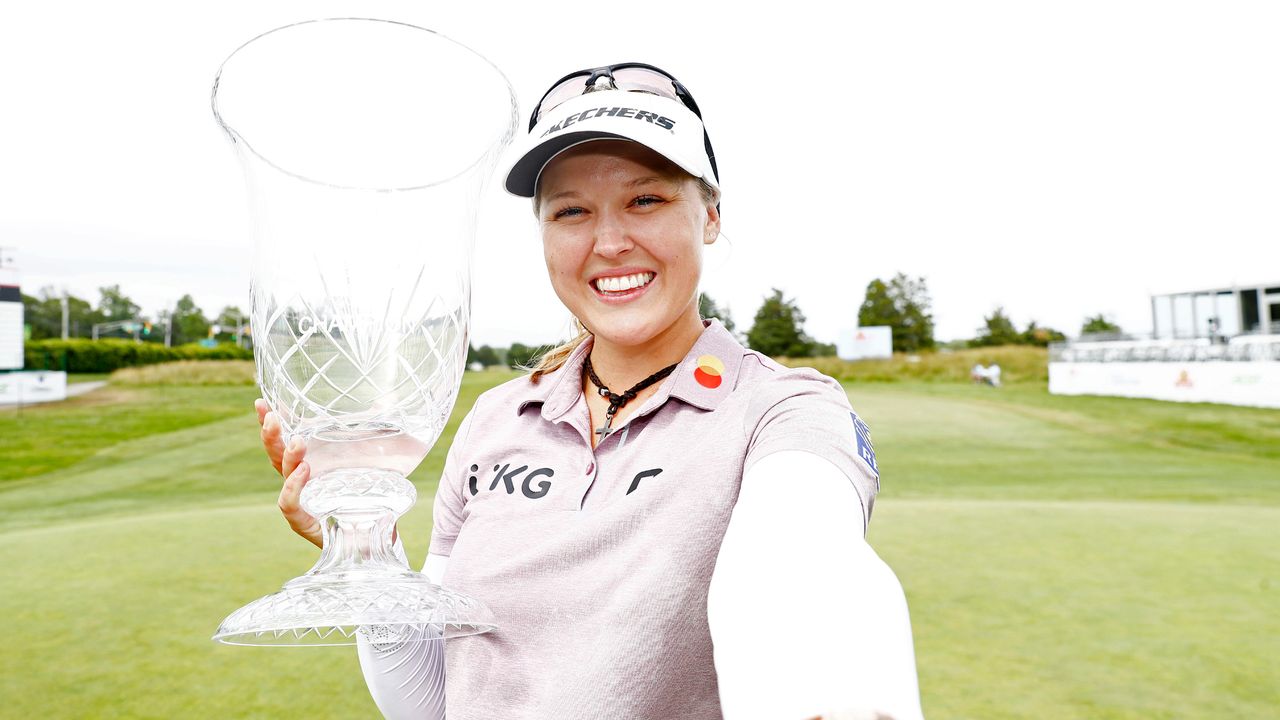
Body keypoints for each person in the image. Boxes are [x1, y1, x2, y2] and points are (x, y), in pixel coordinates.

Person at [257, 62, 923, 720]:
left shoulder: (786, 410)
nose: (608, 242)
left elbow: (800, 561)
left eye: (646, 200)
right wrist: (371, 548)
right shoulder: (495, 420)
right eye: (571, 211)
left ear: (711, 214)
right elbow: (434, 702)